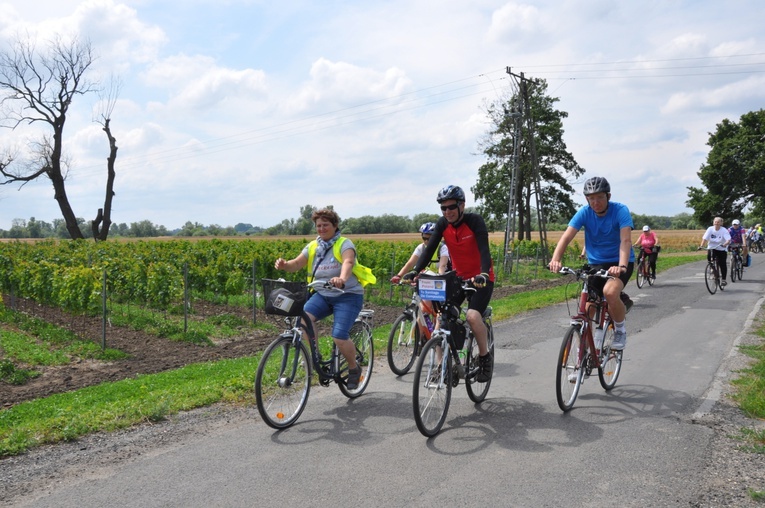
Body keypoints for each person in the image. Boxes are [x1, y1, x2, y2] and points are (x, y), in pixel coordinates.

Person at [402, 185, 495, 382]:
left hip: (480, 280)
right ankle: (441, 366)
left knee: (471, 316)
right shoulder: (443, 224)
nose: (447, 212)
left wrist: (484, 273)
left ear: (462, 205)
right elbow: (429, 250)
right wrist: (415, 271)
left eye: (451, 207)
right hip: (458, 278)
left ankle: (485, 358)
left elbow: (484, 250)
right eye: (443, 208)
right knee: (441, 316)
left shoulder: (474, 221)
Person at [274, 208, 364, 389]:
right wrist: (285, 265)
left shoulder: (344, 244)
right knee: (303, 319)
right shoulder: (313, 246)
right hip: (323, 294)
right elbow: (297, 263)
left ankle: (354, 368)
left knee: (339, 336)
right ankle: (316, 356)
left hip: (347, 295)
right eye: (318, 226)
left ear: (335, 225)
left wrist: (342, 279)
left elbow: (348, 262)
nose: (322, 229)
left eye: (326, 225)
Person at [548, 176, 634, 351]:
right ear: (587, 199)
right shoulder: (584, 212)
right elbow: (566, 237)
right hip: (596, 263)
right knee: (587, 308)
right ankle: (583, 353)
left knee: (609, 292)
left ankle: (620, 330)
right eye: (591, 198)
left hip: (620, 261)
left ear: (608, 196)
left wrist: (622, 266)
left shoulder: (620, 211)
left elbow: (625, 241)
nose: (596, 202)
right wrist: (556, 259)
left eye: (600, 197)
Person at [700, 217, 731, 286]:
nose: (716, 223)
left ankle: (723, 280)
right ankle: (713, 269)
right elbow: (704, 238)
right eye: (715, 222)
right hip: (712, 247)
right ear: (713, 222)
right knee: (709, 259)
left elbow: (728, 240)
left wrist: (725, 244)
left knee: (722, 264)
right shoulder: (710, 229)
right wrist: (701, 246)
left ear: (721, 223)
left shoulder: (724, 230)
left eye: (718, 222)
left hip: (721, 248)